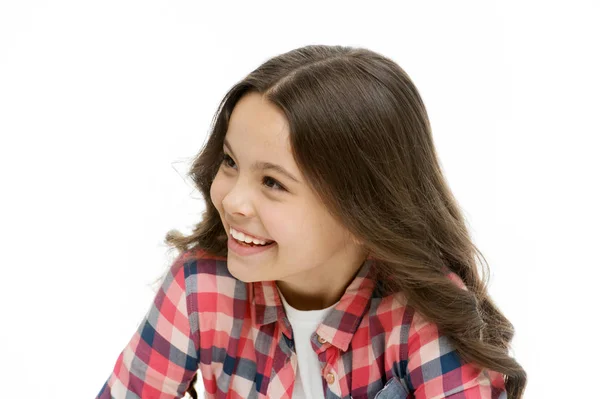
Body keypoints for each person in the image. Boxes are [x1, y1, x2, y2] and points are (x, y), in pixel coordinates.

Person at [96, 44, 527, 399]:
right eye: (230, 162)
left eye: (273, 182)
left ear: (364, 211)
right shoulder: (200, 288)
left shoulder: (422, 318)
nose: (233, 200)